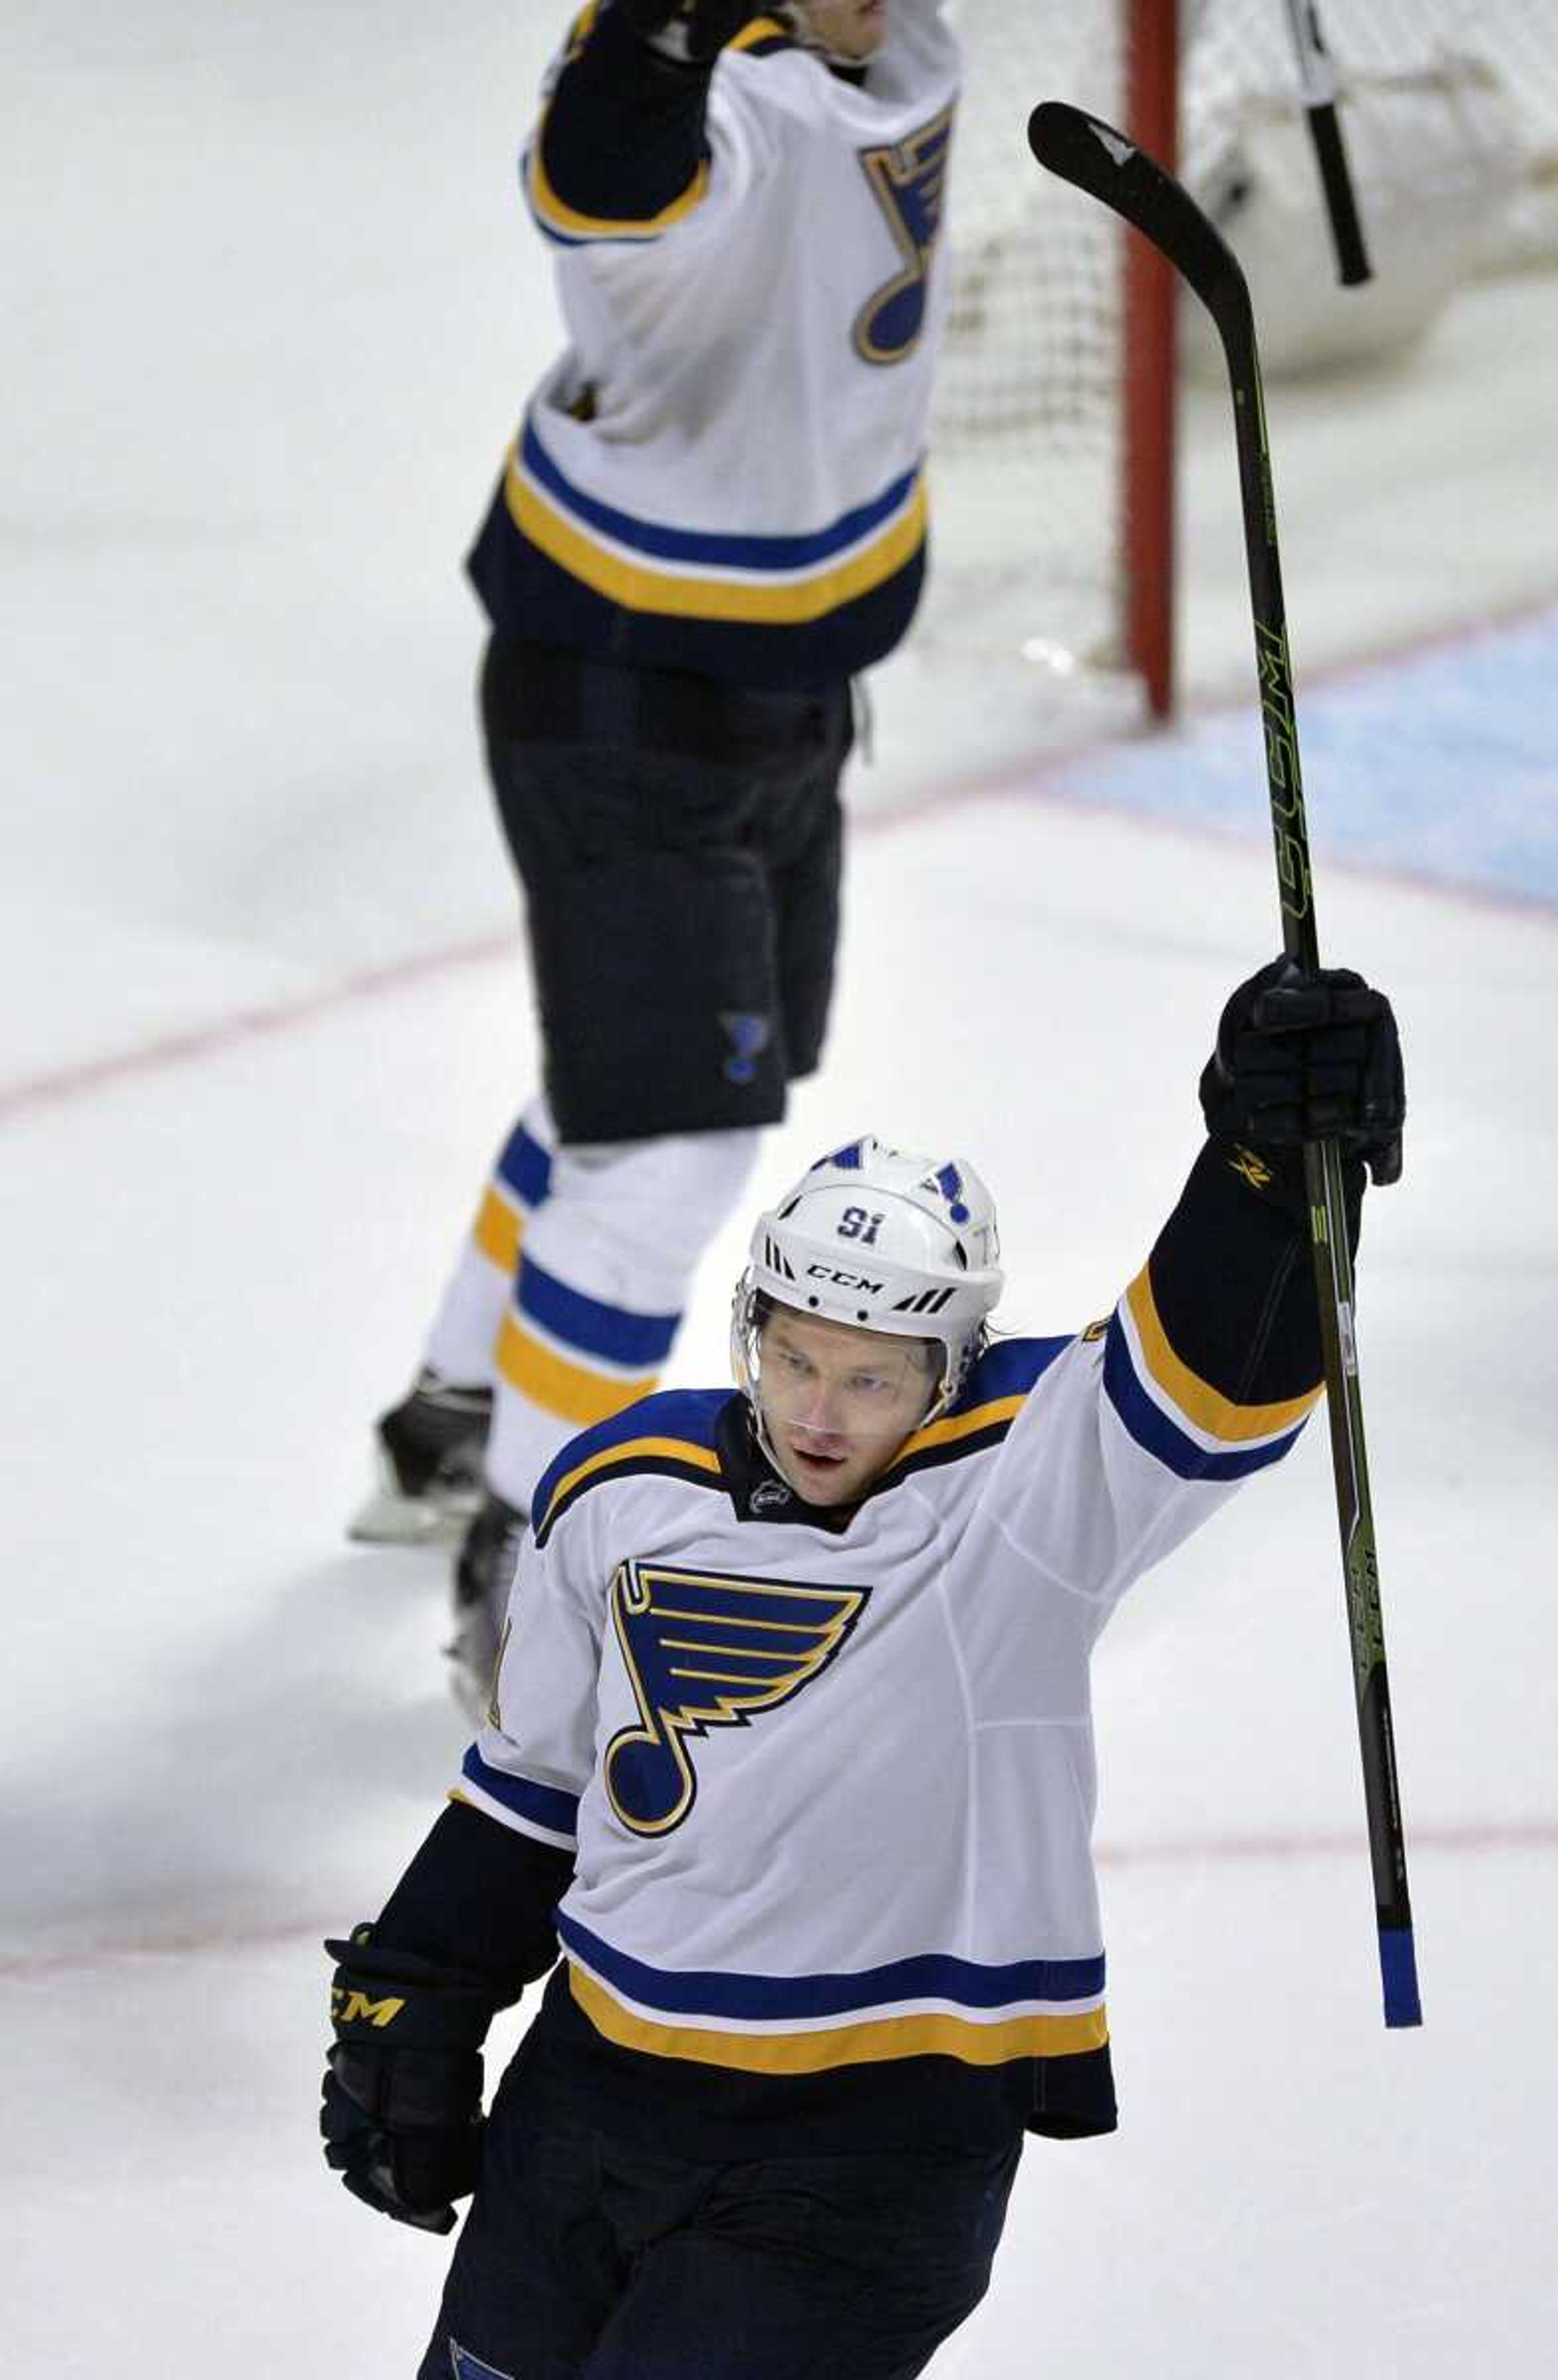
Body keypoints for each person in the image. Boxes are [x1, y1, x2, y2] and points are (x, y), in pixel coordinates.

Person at [321, 956, 1407, 2380]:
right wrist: (423, 1982)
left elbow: (1210, 1372)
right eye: (796, 1359)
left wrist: (1265, 1169)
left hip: (861, 2154)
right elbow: (535, 1779)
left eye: (876, 1377)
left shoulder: (1020, 1503)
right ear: (752, 1327)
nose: (822, 1414)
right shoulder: (620, 1482)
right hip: (588, 2104)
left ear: (951, 1372)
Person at [348, 0, 965, 1713]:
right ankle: (538, 1581)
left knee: (633, 1090)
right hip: (624, 690)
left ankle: (456, 1406)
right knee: (680, 1146)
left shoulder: (888, 41)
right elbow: (602, 161)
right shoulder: (711, 98)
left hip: (786, 676)